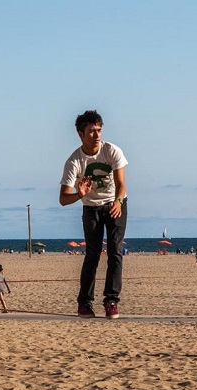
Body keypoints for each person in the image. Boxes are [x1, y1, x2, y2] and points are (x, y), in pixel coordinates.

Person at [59, 110, 128, 319]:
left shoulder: (111, 151)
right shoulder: (74, 161)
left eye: (99, 130)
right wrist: (79, 195)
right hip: (90, 208)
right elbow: (63, 199)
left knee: (115, 251)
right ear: (81, 134)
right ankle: (85, 303)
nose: (97, 135)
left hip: (115, 204)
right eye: (91, 131)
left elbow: (122, 184)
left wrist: (118, 201)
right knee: (92, 254)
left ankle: (111, 301)